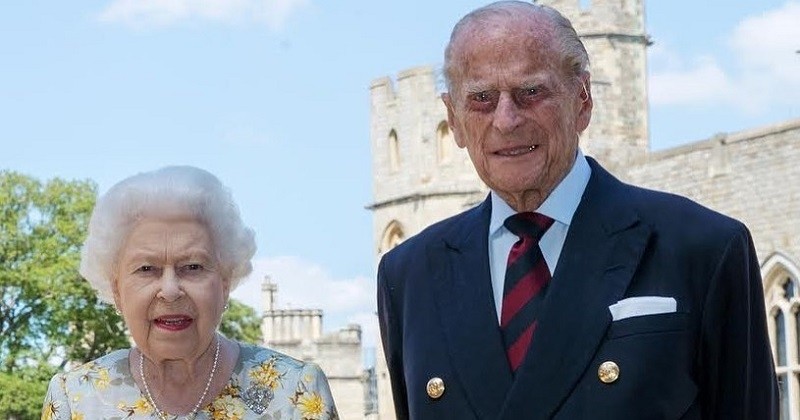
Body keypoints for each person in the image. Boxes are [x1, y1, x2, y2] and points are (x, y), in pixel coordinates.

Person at [376, 2, 778, 419]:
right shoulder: (409, 275)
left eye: (530, 92)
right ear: (453, 121)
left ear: (582, 100)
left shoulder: (703, 248)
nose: (506, 119)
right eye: (481, 99)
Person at [42, 166, 339, 419]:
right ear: (117, 290)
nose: (170, 291)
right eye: (147, 269)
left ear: (224, 282)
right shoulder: (75, 398)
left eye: (193, 267)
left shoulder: (296, 393)